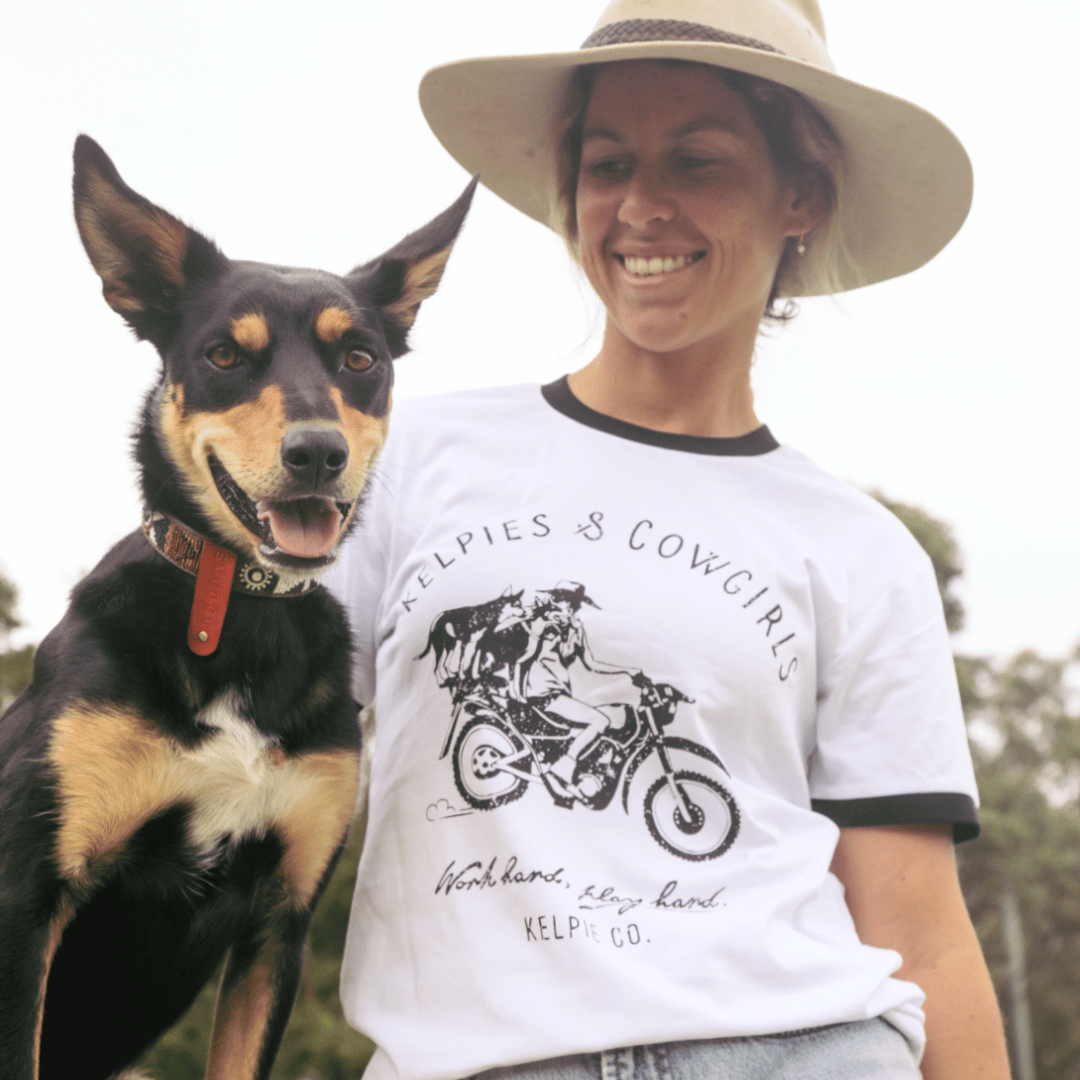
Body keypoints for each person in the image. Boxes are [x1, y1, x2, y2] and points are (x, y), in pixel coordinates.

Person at [326, 2, 1010, 1078]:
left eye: (695, 161)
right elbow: (219, 731)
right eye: (608, 165)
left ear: (801, 197)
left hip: (799, 1053)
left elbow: (919, 931)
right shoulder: (405, 457)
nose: (641, 206)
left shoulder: (862, 552)